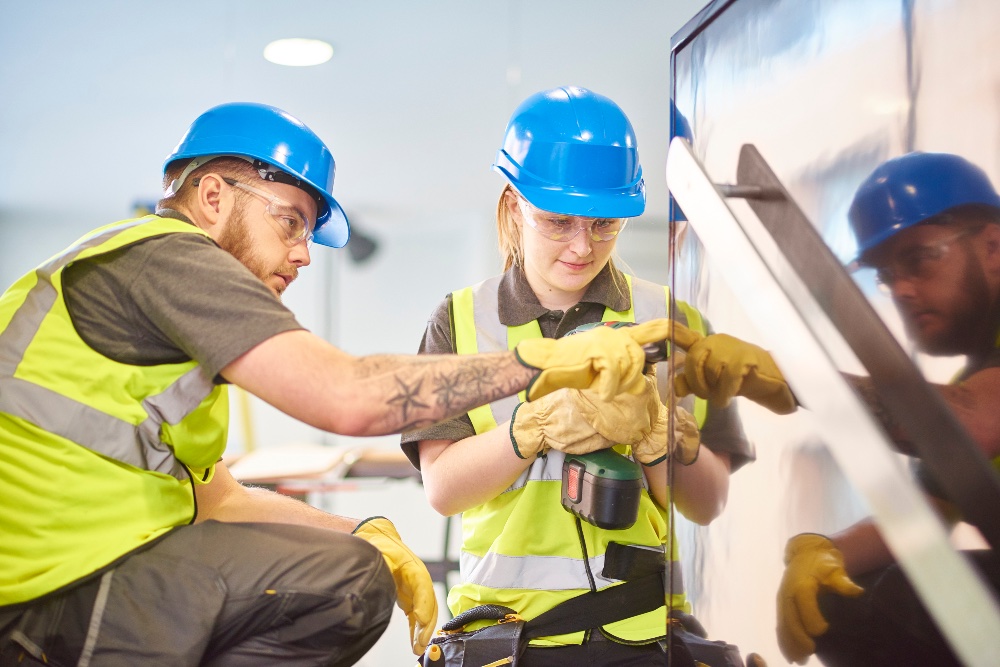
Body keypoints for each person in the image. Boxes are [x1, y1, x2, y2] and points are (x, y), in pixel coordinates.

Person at [0, 101, 671, 667]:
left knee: (349, 557)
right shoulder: (171, 256)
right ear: (211, 196)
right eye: (290, 221)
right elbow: (350, 394)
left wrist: (364, 525)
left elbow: (215, 498)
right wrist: (543, 366)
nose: (301, 253)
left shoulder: (143, 296)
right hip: (49, 595)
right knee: (346, 584)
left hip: (56, 581)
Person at [400, 87, 754, 666]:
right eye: (559, 221)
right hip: (508, 637)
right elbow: (443, 489)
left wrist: (656, 438)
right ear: (515, 207)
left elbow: (708, 504)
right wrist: (531, 429)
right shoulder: (459, 321)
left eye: (604, 223)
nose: (582, 246)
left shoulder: (671, 321)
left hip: (639, 635)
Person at [667, 151, 1000, 665]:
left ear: (993, 245)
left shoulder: (975, 395)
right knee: (845, 597)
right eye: (886, 276)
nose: (902, 291)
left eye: (918, 259)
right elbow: (925, 518)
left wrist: (792, 376)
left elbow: (970, 426)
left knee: (899, 604)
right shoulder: (977, 373)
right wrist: (825, 550)